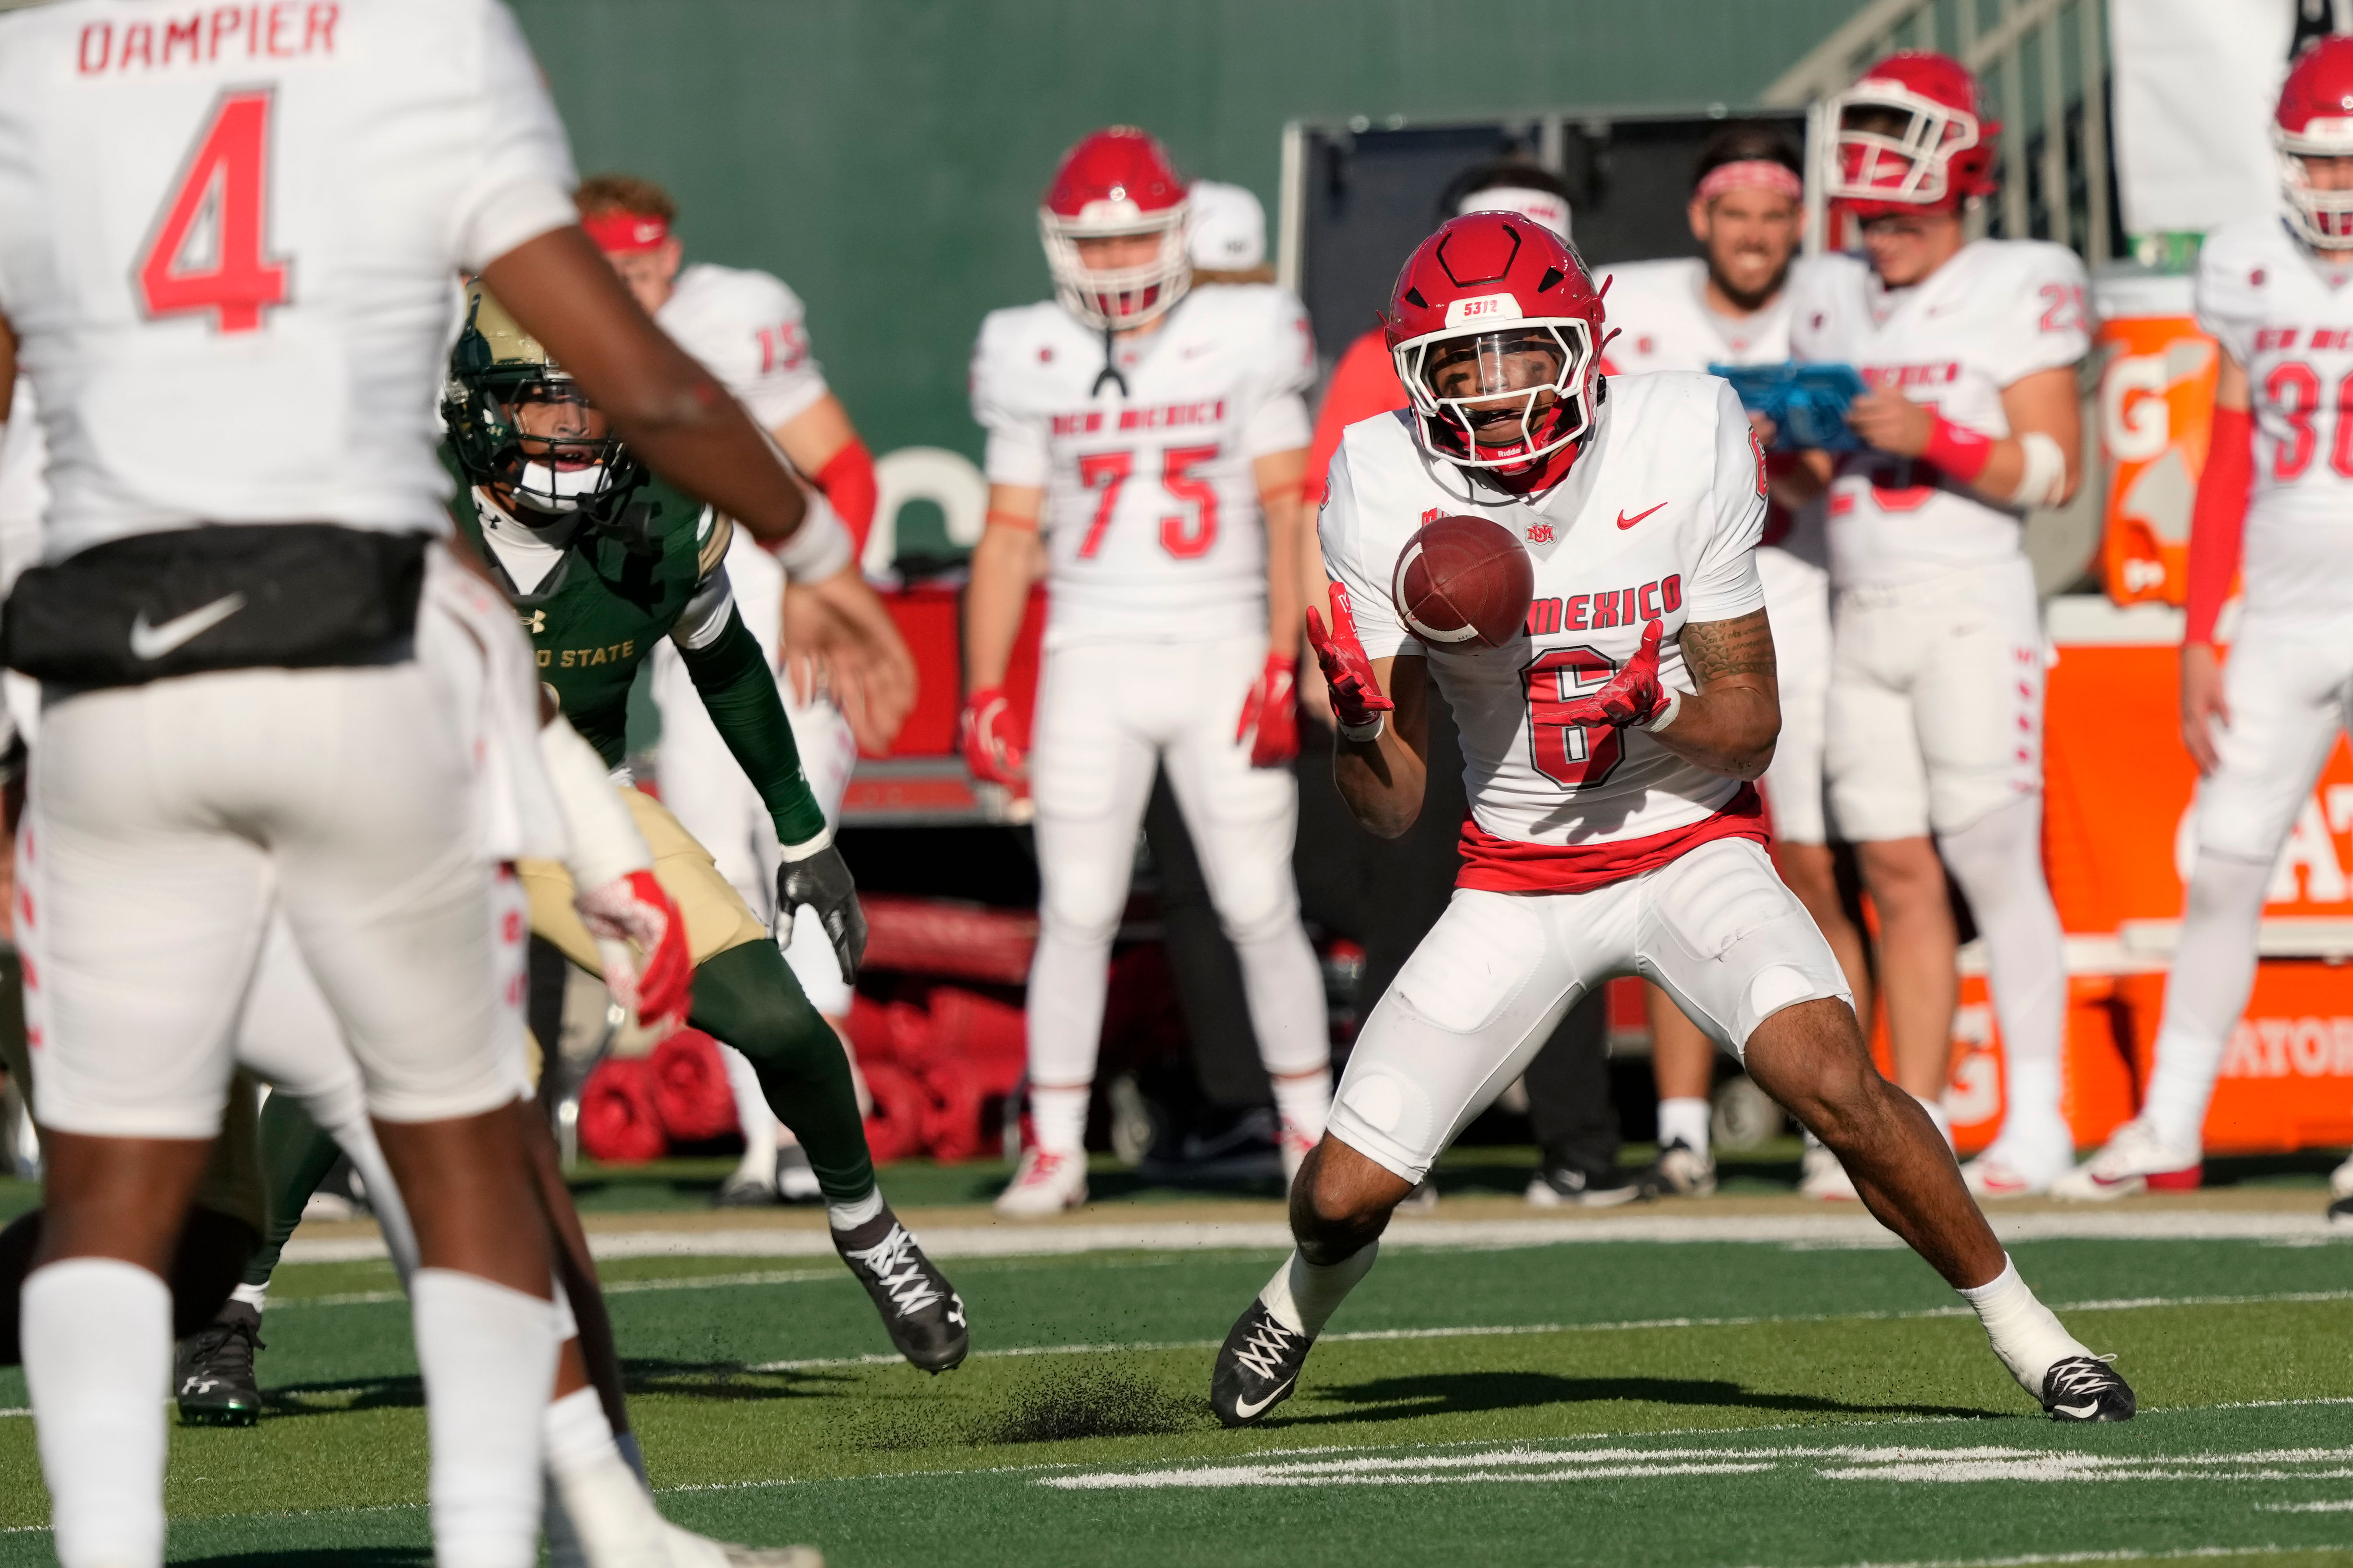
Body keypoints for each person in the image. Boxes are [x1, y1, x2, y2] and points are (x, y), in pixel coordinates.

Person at [0, 1, 846, 1561]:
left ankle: (104, 1544)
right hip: (351, 644)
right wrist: (814, 546)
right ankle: (516, 1533)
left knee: (118, 1197)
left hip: (105, 671)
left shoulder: (42, 61)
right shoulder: (419, 42)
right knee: (468, 1151)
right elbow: (634, 377)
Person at [1206, 210, 2132, 1432]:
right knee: (1338, 1195)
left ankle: (2031, 1335)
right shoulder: (1382, 482)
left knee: (1831, 1081)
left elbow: (1750, 726)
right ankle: (1299, 1298)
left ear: (1585, 346)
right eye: (1458, 367)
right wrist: (1357, 723)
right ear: (1413, 375)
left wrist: (1659, 707)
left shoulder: (1677, 434)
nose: (1491, 394)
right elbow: (1391, 814)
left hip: (1692, 840)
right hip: (1517, 875)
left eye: (1523, 355)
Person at [207, 285, 966, 1382]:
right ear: (478, 409)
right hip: (412, 815)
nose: (573, 429)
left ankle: (870, 1231)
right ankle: (232, 1309)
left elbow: (727, 660)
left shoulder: (655, 506)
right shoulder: (402, 500)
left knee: (783, 1022)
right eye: (543, 405)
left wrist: (803, 834)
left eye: (589, 407)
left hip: (581, 802)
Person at [964, 127, 1330, 1214]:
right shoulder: (1031, 349)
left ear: (1179, 237)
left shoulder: (1244, 331)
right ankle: (1057, 1147)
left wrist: (1284, 652)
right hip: (1089, 648)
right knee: (1074, 907)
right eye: (1096, 245)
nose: (1117, 266)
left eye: (1134, 244)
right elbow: (1007, 533)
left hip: (1219, 640)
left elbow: (1285, 507)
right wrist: (986, 684)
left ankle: (1314, 1133)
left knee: (1261, 901)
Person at [1785, 50, 2088, 1200]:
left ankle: (2041, 1119)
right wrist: (1776, 444)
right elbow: (1817, 481)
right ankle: (1910, 1130)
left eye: (1904, 212)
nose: (1882, 233)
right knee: (1894, 871)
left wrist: (1933, 434)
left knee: (1992, 864)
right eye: (1869, 212)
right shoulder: (1829, 286)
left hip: (1970, 604)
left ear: (1958, 185)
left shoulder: (2021, 277)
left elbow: (2055, 469)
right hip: (1859, 605)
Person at [2056, 37, 2353, 1207]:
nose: (2331, 188)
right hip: (2277, 607)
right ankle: (2169, 1123)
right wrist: (2196, 632)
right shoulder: (2243, 263)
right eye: (2314, 166)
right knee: (2224, 863)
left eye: (2348, 165)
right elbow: (2228, 454)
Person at [578, 173, 884, 1208]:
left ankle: (818, 1130)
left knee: (797, 849)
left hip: (761, 595)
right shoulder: (560, 327)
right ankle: (770, 1146)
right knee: (714, 878)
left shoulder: (736, 314)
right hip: (665, 620)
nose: (638, 277)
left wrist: (818, 582)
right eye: (615, 262)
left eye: (648, 257)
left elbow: (843, 465)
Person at [1595, 123, 1867, 1198]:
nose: (1755, 236)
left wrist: (1773, 444)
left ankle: (1838, 1122)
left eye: (1773, 216)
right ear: (1702, 218)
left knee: (1806, 864)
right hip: (1679, 609)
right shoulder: (1646, 314)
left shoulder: (1835, 300)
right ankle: (1680, 1132)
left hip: (1792, 598)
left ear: (1796, 224)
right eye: (1735, 214)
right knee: (1678, 861)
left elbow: (1808, 486)